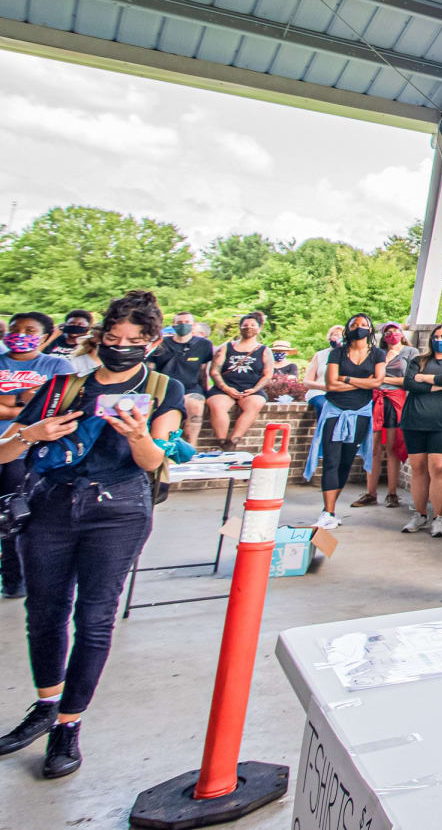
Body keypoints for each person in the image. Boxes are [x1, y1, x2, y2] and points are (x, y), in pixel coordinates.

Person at [0, 290, 185, 778]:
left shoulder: (164, 389)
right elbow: (4, 451)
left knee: (96, 616)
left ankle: (68, 724)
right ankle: (45, 704)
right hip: (52, 504)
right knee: (43, 611)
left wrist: (137, 434)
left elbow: (154, 461)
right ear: (100, 337)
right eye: (112, 337)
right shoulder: (66, 384)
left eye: (133, 340)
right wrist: (31, 435)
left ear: (150, 342)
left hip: (119, 509)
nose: (120, 346)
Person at [0, 312, 76, 599]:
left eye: (30, 330)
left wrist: (9, 404)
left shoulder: (57, 365)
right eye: (16, 329)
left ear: (45, 336)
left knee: (13, 516)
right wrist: (26, 402)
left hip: (28, 452)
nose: (21, 334)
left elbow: (59, 410)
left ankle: (14, 580)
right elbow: (38, 407)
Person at [305, 314, 385, 529]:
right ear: (348, 329)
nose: (359, 328)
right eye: (354, 325)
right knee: (331, 459)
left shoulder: (377, 354)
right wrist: (362, 383)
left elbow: (377, 382)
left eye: (364, 325)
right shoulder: (337, 353)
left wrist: (346, 379)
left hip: (360, 413)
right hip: (335, 411)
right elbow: (330, 384)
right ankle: (327, 511)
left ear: (370, 330)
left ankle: (331, 509)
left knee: (346, 461)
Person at [400, 324, 442, 537]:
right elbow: (409, 384)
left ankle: (438, 516)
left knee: (439, 467)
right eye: (436, 336)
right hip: (415, 420)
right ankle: (419, 514)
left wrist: (425, 379)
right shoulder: (419, 360)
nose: (439, 339)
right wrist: (438, 385)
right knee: (418, 467)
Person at [352, 323, 413, 509]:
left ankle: (392, 493)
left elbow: (409, 379)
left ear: (402, 334)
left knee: (392, 448)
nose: (392, 335)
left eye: (395, 331)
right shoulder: (377, 353)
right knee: (373, 448)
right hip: (375, 399)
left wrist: (382, 379)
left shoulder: (410, 352)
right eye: (388, 332)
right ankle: (371, 492)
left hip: (395, 401)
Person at [148, 311, 214, 446]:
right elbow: (150, 369)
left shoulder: (204, 345)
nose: (183, 325)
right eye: (179, 323)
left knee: (196, 407)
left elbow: (203, 371)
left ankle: (191, 446)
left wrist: (206, 391)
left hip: (190, 386)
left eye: (187, 323)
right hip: (165, 386)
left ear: (193, 325)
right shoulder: (161, 344)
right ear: (173, 325)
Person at [206, 314, 272, 447]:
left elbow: (268, 375)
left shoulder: (264, 350)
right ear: (240, 328)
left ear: (259, 329)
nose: (248, 328)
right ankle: (221, 441)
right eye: (245, 325)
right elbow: (214, 371)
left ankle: (233, 441)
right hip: (225, 387)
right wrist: (226, 388)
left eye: (253, 325)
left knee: (255, 404)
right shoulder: (226, 347)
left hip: (251, 388)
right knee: (217, 405)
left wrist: (254, 389)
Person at [304, 325, 345, 419]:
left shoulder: (351, 356)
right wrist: (326, 387)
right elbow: (307, 382)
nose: (338, 337)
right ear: (329, 337)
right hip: (320, 393)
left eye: (341, 335)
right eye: (335, 335)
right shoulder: (320, 355)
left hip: (341, 395)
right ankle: (324, 432)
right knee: (326, 407)